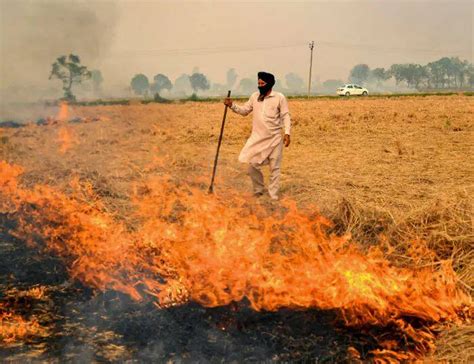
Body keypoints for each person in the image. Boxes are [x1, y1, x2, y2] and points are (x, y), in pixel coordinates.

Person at [224, 71, 291, 200]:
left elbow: (285, 116)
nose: (260, 85)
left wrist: (287, 133)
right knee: (252, 165)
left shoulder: (279, 98)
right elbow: (244, 111)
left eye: (263, 83)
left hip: (275, 139)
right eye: (258, 83)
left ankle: (273, 196)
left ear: (270, 84)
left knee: (274, 168)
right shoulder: (255, 97)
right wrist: (232, 105)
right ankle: (259, 190)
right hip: (258, 138)